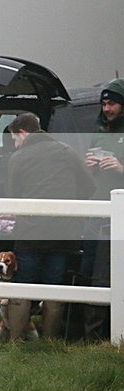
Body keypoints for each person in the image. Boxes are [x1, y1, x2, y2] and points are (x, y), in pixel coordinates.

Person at [5, 112, 96, 340]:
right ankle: (50, 340)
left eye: (15, 139)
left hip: (30, 233)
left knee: (23, 287)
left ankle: (16, 341)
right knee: (54, 285)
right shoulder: (67, 151)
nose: (15, 144)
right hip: (63, 233)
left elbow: (12, 195)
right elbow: (89, 186)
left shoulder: (18, 157)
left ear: (23, 132)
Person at [82, 79, 124, 340]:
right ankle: (89, 334)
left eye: (112, 104)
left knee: (109, 271)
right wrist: (89, 166)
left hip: (119, 214)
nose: (107, 109)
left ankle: (110, 333)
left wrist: (120, 168)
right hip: (96, 211)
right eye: (104, 103)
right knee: (91, 269)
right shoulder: (97, 131)